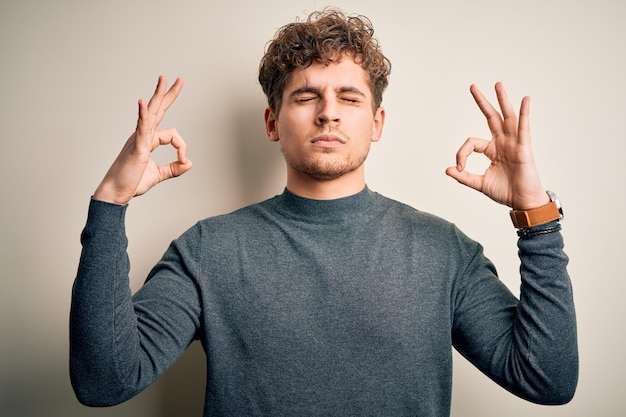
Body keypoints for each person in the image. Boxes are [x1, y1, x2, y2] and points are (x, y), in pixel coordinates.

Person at [69, 9, 578, 416]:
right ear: (272, 122)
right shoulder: (208, 250)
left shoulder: (443, 251)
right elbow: (104, 381)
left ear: (377, 122)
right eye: (307, 96)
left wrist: (536, 213)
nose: (328, 111)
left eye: (349, 98)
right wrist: (110, 204)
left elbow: (547, 379)